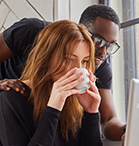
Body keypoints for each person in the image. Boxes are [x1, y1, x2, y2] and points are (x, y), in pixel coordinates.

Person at [0, 4, 126, 141]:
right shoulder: (32, 31)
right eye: (98, 41)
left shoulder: (97, 68)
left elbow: (107, 119)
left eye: (110, 45)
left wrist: (93, 113)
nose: (103, 51)